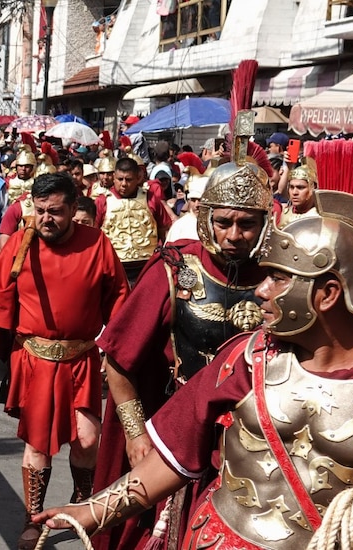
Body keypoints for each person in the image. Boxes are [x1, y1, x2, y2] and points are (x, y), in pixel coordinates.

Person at [39, 149, 353, 550]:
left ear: (328, 294)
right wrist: (89, 512)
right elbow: (176, 459)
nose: (262, 290)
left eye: (279, 279)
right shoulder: (246, 357)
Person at [92, 155, 270, 550]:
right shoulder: (175, 269)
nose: (234, 235)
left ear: (264, 222)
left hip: (259, 442)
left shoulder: (283, 276)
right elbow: (118, 359)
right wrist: (136, 434)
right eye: (223, 222)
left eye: (246, 223)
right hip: (182, 435)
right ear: (206, 218)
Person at [0, 172, 130, 550]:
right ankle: (33, 518)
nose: (45, 218)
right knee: (38, 446)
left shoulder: (98, 244)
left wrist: (116, 352)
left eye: (55, 211)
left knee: (87, 438)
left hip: (81, 358)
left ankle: (81, 504)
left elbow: (120, 300)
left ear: (73, 209)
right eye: (40, 210)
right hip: (36, 360)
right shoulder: (20, 244)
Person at [94, 157, 175, 284]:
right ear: (114, 177)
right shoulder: (102, 201)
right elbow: (94, 233)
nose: (124, 184)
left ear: (138, 178)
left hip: (147, 265)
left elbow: (164, 229)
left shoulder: (151, 199)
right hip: (114, 266)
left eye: (129, 179)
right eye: (120, 179)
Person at [277, 161, 319, 228]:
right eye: (291, 187)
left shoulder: (319, 216)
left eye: (300, 187)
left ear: (313, 187)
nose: (294, 192)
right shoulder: (285, 213)